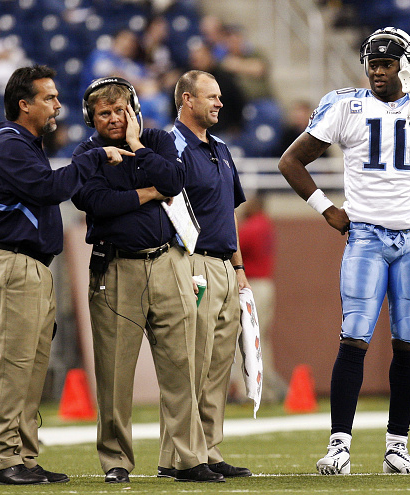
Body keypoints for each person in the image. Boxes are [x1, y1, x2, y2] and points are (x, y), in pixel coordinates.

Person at [278, 27, 410, 475]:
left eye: (386, 64)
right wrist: (326, 209)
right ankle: (339, 446)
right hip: (366, 237)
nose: (376, 71)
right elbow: (291, 161)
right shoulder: (345, 106)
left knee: (408, 343)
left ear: (406, 67)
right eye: (372, 63)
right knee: (353, 338)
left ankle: (397, 447)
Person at [0, 64, 133, 485]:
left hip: (31, 266)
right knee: (14, 365)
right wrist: (95, 157)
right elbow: (49, 189)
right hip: (13, 264)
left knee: (31, 369)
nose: (57, 106)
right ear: (23, 104)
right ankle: (4, 458)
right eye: (49, 98)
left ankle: (24, 456)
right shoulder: (9, 145)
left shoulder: (26, 145)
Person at [71, 76, 222, 483]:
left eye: (121, 110)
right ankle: (116, 461)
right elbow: (96, 202)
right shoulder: (87, 153)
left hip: (167, 262)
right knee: (114, 374)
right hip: (116, 268)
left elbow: (174, 182)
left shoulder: (154, 140)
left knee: (182, 367)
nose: (115, 118)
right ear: (91, 118)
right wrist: (148, 193)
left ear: (134, 111)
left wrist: (137, 148)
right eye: (105, 113)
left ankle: (189, 458)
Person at [158, 70, 252, 480]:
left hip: (225, 267)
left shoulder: (222, 148)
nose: (218, 102)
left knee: (217, 366)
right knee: (188, 364)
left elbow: (227, 215)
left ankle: (208, 449)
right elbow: (165, 207)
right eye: (210, 96)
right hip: (189, 262)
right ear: (186, 100)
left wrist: (239, 267)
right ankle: (181, 457)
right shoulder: (169, 145)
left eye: (219, 96)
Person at [228, 193, 287, 403]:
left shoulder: (253, 227)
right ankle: (268, 388)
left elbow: (232, 244)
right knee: (259, 339)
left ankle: (255, 390)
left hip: (253, 285)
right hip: (264, 284)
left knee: (248, 338)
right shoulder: (266, 225)